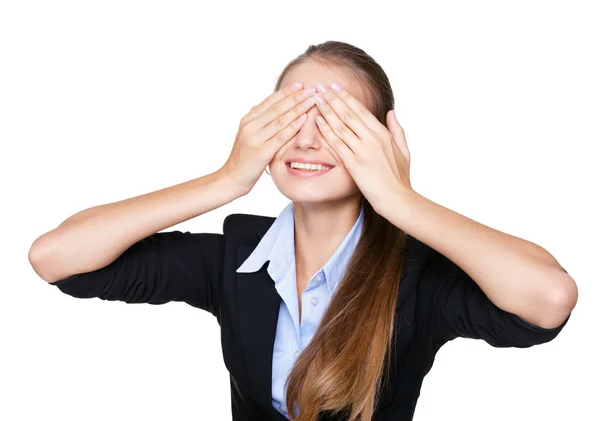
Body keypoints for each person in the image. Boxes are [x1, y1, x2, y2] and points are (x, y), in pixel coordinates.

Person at [28, 40, 577, 421]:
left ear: (383, 138)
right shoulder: (236, 260)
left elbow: (550, 297)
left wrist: (400, 200)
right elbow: (56, 256)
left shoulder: (417, 278)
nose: (308, 140)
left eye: (336, 122)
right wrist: (226, 180)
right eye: (291, 117)